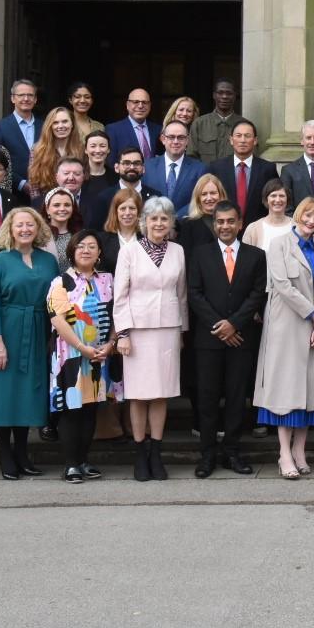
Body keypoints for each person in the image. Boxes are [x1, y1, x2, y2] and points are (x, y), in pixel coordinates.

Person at [253, 197, 314, 478]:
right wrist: (313, 313)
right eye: (307, 215)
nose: (312, 221)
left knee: (311, 392)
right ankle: (283, 453)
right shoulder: (279, 244)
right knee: (285, 390)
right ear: (298, 215)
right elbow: (282, 285)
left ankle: (300, 449)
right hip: (286, 325)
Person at [0, 206, 56, 480]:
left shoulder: (48, 261)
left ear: (38, 228)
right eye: (19, 225)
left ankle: (22, 453)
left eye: (30, 225)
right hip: (5, 333)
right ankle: (5, 454)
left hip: (37, 331)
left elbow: (56, 299)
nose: (25, 230)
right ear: (9, 229)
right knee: (5, 394)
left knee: (27, 395)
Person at [187, 202, 266, 478]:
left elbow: (257, 293)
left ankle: (232, 451)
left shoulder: (256, 256)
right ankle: (207, 454)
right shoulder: (199, 254)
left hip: (241, 337)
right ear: (214, 224)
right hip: (208, 339)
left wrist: (234, 324)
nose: (225, 226)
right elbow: (194, 293)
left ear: (240, 223)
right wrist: (220, 326)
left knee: (236, 397)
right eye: (220, 221)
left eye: (230, 221)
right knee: (207, 398)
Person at [114, 196, 188, 481]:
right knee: (139, 394)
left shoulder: (178, 251)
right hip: (137, 331)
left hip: (168, 328)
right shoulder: (130, 251)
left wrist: (182, 331)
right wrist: (122, 333)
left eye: (164, 218)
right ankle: (140, 453)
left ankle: (156, 452)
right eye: (154, 218)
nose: (159, 223)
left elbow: (181, 294)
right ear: (144, 222)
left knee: (161, 393)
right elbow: (120, 295)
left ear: (171, 223)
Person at [47, 229, 121, 483]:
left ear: (100, 252)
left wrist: (111, 343)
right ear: (72, 251)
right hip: (71, 356)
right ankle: (71, 464)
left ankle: (84, 460)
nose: (86, 250)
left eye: (91, 246)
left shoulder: (108, 280)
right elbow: (58, 320)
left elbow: (117, 314)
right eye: (81, 246)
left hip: (100, 355)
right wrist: (81, 347)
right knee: (71, 408)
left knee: (91, 409)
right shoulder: (60, 282)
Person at [208, 119, 279, 224]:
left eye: (247, 136)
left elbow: (274, 199)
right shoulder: (216, 168)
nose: (242, 140)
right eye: (238, 135)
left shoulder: (268, 169)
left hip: (256, 229)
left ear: (255, 140)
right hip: (225, 227)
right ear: (231, 140)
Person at [86, 146, 159, 229]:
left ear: (143, 168)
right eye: (126, 163)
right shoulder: (104, 198)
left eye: (136, 163)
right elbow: (96, 231)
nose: (132, 167)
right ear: (117, 168)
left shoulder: (155, 197)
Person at [144, 120, 207, 208]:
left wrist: (178, 218)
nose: (176, 141)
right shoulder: (147, 167)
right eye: (171, 137)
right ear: (163, 139)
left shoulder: (199, 169)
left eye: (181, 137)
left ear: (187, 140)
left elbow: (200, 200)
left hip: (186, 220)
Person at [0, 79, 42, 197]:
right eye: (21, 95)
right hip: (13, 193)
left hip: (42, 192)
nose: (26, 99)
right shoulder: (0, 127)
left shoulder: (45, 126)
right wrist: (21, 184)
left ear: (35, 99)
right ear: (13, 98)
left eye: (30, 95)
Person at [189, 79, 247, 163]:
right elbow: (191, 156)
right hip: (205, 175)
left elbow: (250, 157)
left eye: (229, 93)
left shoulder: (244, 125)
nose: (224, 96)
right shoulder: (199, 123)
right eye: (220, 93)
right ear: (214, 95)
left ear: (235, 96)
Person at [177, 173, 230, 259]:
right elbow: (187, 259)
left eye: (213, 193)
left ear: (221, 195)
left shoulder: (230, 221)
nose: (209, 198)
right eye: (204, 194)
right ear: (198, 198)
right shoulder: (189, 225)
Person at [106, 87, 160, 161]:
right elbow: (111, 162)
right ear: (127, 105)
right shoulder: (113, 130)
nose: (140, 106)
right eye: (135, 102)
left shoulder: (158, 130)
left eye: (144, 102)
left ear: (150, 105)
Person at [98, 186, 143, 274]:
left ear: (139, 211)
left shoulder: (147, 238)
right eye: (123, 208)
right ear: (115, 212)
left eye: (132, 208)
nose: (127, 213)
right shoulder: (102, 240)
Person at [39, 186, 81, 271]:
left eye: (67, 205)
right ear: (47, 209)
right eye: (56, 205)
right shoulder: (39, 236)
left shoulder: (80, 235)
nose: (62, 209)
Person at [243, 179, 292, 249]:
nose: (278, 200)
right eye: (273, 196)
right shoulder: (253, 229)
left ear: (287, 199)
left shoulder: (297, 227)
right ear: (266, 199)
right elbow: (246, 257)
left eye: (282, 196)